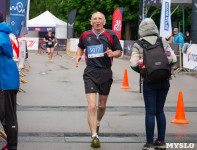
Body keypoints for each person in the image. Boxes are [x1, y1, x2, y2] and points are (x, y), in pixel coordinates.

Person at [75, 12, 122, 148]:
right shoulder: (85, 35)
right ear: (91, 22)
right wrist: (78, 56)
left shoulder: (111, 35)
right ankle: (94, 136)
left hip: (106, 72)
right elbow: (80, 47)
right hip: (90, 72)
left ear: (104, 22)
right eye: (94, 19)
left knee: (101, 106)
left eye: (100, 19)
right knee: (92, 106)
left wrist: (113, 53)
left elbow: (119, 51)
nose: (97, 21)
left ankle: (97, 122)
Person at [130, 18, 177, 150]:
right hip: (164, 81)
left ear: (141, 29)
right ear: (154, 27)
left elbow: (133, 65)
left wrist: (143, 71)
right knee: (160, 111)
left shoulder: (138, 44)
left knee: (150, 112)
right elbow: (173, 59)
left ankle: (149, 143)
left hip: (149, 82)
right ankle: (161, 141)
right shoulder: (162, 40)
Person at [0, 12, 20, 150]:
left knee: (7, 117)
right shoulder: (4, 32)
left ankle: (11, 147)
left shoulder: (1, 35)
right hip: (7, 80)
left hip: (5, 82)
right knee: (7, 116)